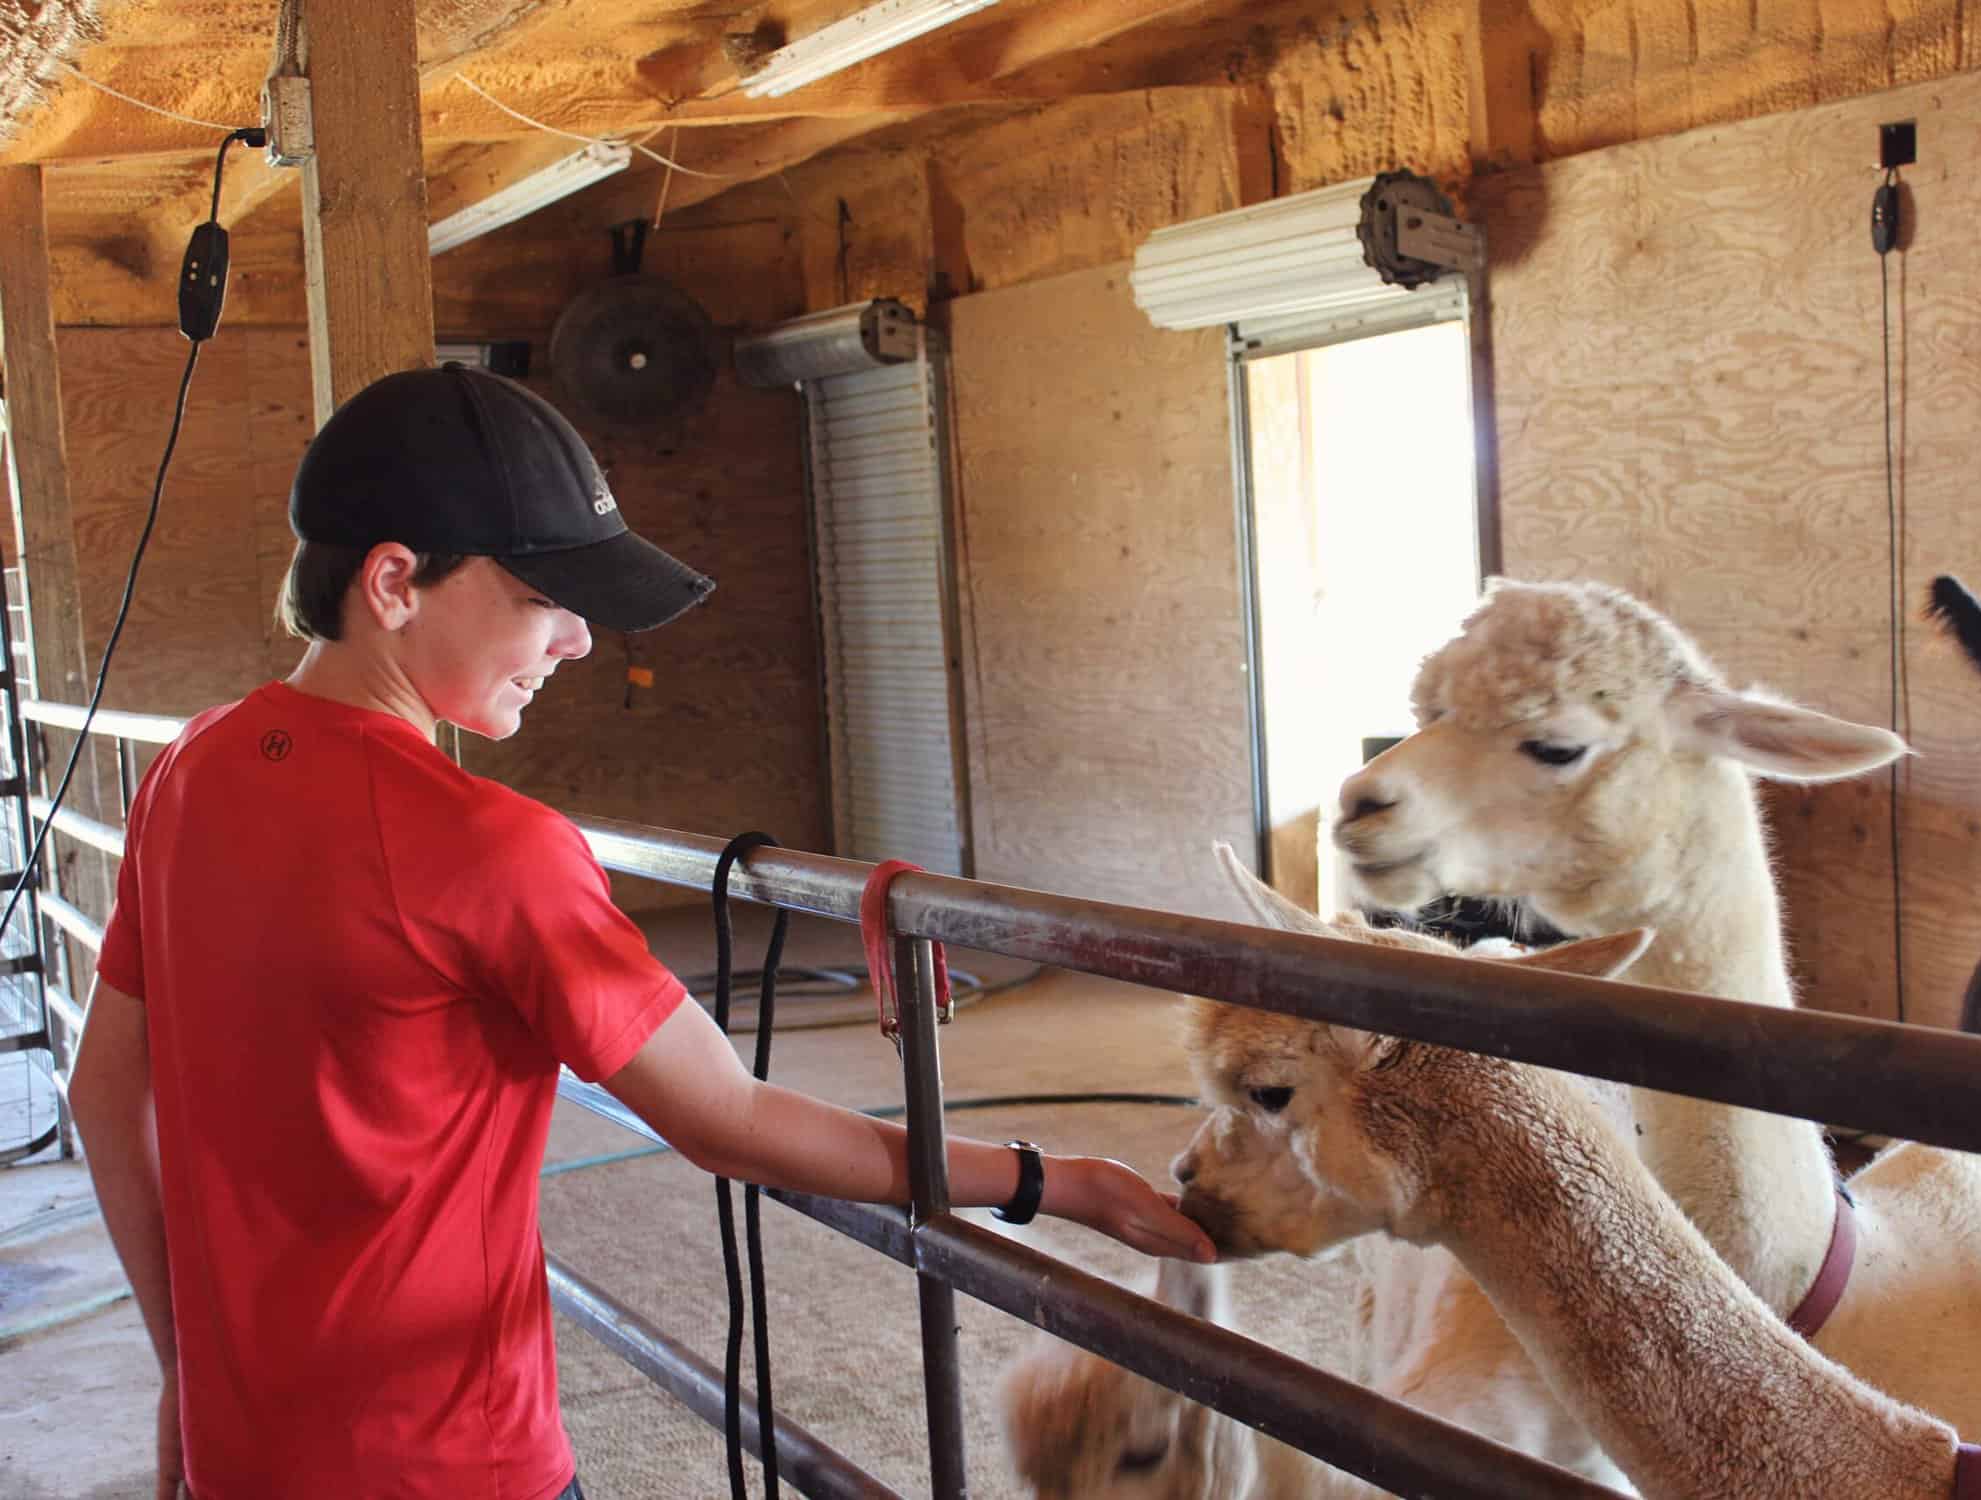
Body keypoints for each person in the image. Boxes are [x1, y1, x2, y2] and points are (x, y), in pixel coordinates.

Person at [65, 364, 1215, 1500]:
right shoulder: (487, 847)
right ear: (396, 583)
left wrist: (189, 1370)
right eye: (540, 601)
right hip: (451, 1464)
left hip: (246, 1456)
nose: (576, 642)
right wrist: (1049, 1179)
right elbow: (730, 1118)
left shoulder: (190, 771)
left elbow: (107, 1096)